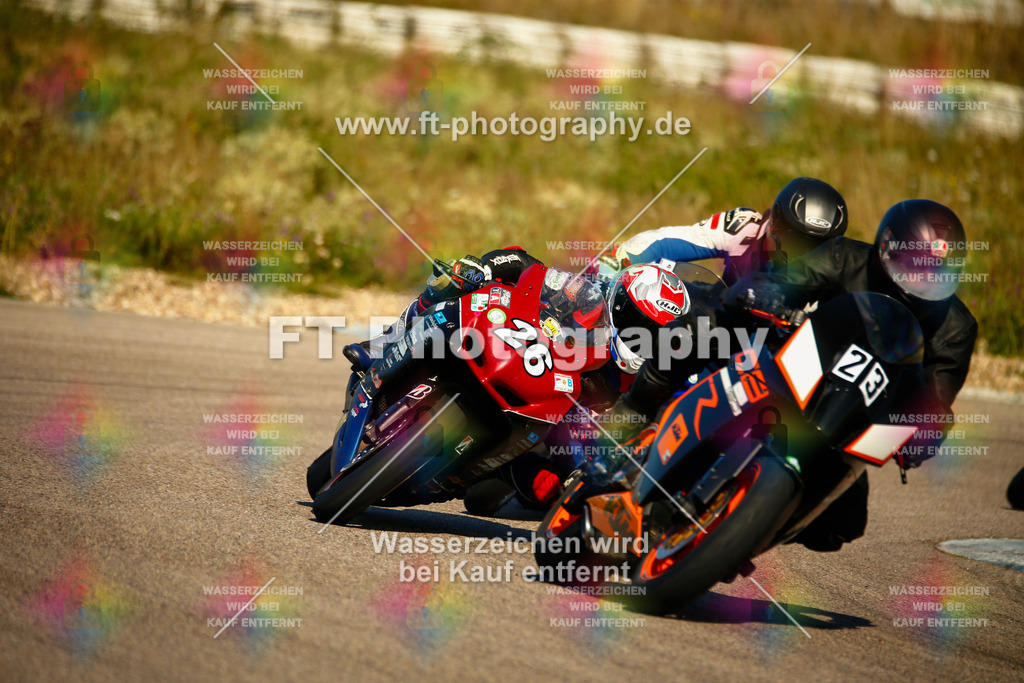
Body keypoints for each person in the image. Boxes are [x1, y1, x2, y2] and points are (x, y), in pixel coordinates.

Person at [603, 199, 977, 550]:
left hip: (848, 413)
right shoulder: (845, 256)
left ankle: (740, 533)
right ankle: (630, 414)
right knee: (695, 331)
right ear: (888, 248)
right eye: (915, 266)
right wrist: (765, 296)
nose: (923, 280)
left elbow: (935, 399)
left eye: (936, 272)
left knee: (843, 524)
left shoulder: (956, 329)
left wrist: (922, 433)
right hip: (791, 361)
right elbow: (786, 281)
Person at [615, 177, 848, 283]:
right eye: (797, 240)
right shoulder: (745, 227)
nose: (805, 252)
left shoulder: (836, 278)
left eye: (817, 246)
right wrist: (619, 263)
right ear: (775, 224)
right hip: (711, 328)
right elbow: (664, 242)